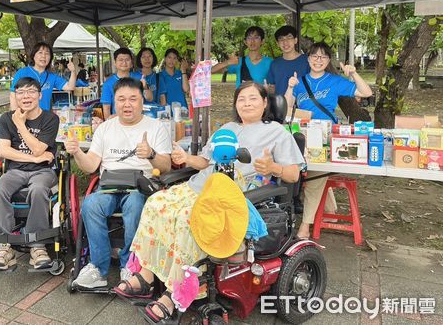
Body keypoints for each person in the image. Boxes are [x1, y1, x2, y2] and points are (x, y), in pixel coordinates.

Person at [115, 82, 303, 321]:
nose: (246, 103)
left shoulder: (277, 132)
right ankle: (147, 275)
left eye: (253, 98)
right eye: (241, 99)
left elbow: (293, 175)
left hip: (234, 194)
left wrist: (273, 167)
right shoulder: (227, 128)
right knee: (155, 204)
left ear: (265, 103)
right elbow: (205, 162)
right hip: (201, 185)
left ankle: (175, 293)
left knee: (187, 219)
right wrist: (186, 158)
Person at [65, 77, 172, 288]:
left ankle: (129, 266)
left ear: (142, 101)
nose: (127, 104)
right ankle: (98, 266)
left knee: (135, 205)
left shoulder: (156, 127)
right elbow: (91, 165)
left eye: (133, 98)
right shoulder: (105, 128)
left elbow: (166, 165)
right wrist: (77, 152)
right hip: (108, 185)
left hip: (140, 186)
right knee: (90, 204)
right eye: (121, 99)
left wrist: (150, 154)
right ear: (114, 102)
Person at [284, 42, 373, 239]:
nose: (318, 60)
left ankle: (305, 225)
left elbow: (366, 93)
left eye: (323, 57)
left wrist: (354, 74)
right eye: (314, 56)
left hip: (325, 137)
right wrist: (290, 88)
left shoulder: (334, 81)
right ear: (308, 59)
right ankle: (329, 211)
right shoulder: (300, 81)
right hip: (303, 135)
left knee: (315, 177)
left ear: (328, 61)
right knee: (302, 176)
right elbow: (286, 108)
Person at [0, 77, 60, 270]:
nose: (25, 96)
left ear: (39, 95)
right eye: (20, 92)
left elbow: (38, 148)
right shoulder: (6, 118)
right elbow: (4, 151)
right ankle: (4, 245)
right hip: (15, 170)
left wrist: (20, 125)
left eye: (30, 91)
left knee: (38, 190)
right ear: (15, 96)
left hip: (44, 171)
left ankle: (37, 245)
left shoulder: (50, 119)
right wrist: (35, 158)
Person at [10, 42, 76, 111]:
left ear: (50, 58)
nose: (43, 56)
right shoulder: (22, 73)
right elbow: (13, 94)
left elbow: (70, 87)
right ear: (34, 56)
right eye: (40, 52)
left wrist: (73, 71)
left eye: (47, 53)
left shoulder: (52, 77)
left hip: (44, 118)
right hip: (25, 117)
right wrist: (16, 115)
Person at [266, 25, 310, 95]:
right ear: (277, 43)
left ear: (295, 40)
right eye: (281, 39)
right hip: (281, 104)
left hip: (303, 104)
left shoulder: (307, 60)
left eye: (289, 38)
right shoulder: (275, 64)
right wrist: (267, 89)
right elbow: (272, 89)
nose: (285, 42)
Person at [100, 48, 140, 119]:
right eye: (120, 60)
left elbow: (148, 99)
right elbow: (106, 108)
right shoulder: (108, 84)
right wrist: (109, 124)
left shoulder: (139, 77)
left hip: (139, 120)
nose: (124, 63)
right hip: (119, 122)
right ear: (115, 63)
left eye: (127, 60)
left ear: (131, 63)